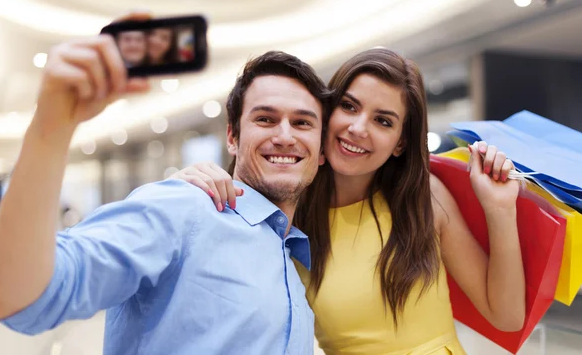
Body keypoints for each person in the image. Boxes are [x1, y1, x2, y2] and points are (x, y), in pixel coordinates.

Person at [0, 14, 332, 354]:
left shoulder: (292, 251)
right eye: (265, 119)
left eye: (303, 123)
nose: (285, 136)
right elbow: (21, 298)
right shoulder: (184, 209)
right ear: (232, 136)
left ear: (320, 150)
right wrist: (52, 127)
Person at [173, 47, 526, 354]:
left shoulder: (424, 198)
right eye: (349, 106)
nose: (358, 128)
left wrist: (500, 208)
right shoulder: (286, 211)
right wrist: (187, 183)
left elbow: (506, 317)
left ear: (400, 143)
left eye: (383, 121)